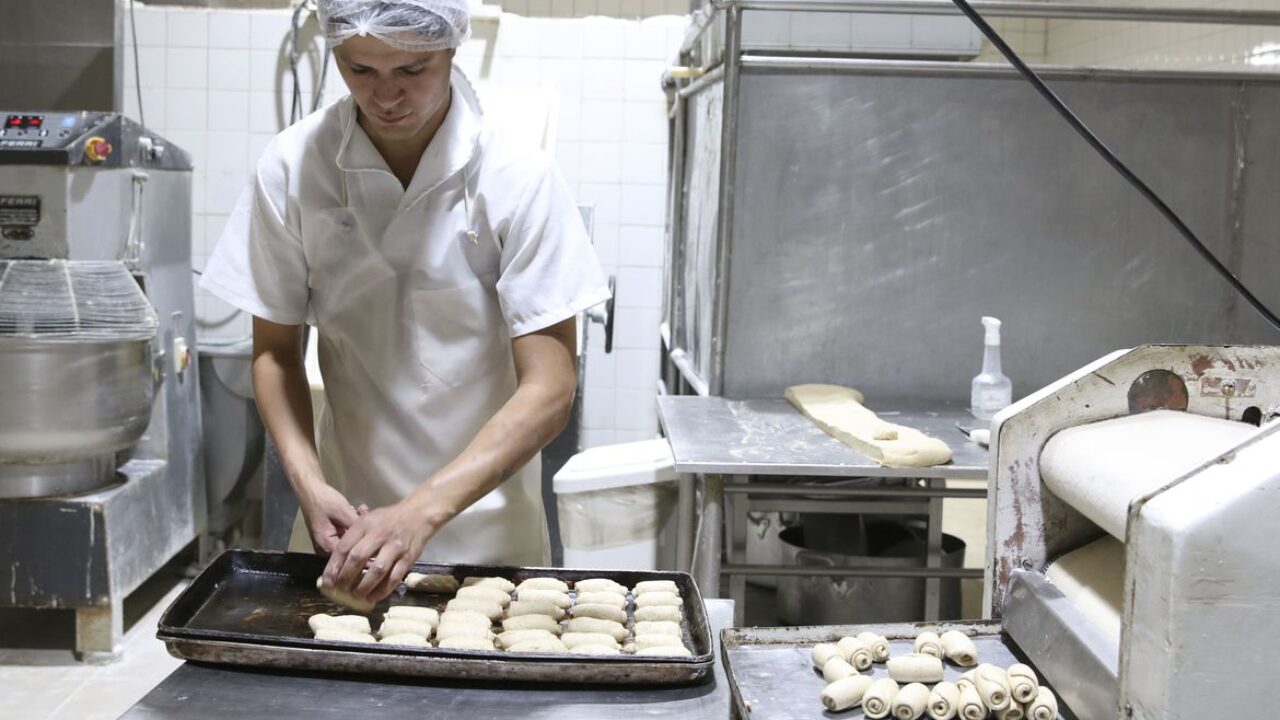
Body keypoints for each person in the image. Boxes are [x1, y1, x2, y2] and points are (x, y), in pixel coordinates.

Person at [200, 0, 609, 604]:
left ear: (450, 50)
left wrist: (420, 512)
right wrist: (309, 485)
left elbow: (550, 388)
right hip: (345, 538)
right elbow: (275, 352)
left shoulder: (517, 176)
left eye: (412, 71)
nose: (385, 95)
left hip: (489, 545)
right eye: (360, 70)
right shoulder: (294, 166)